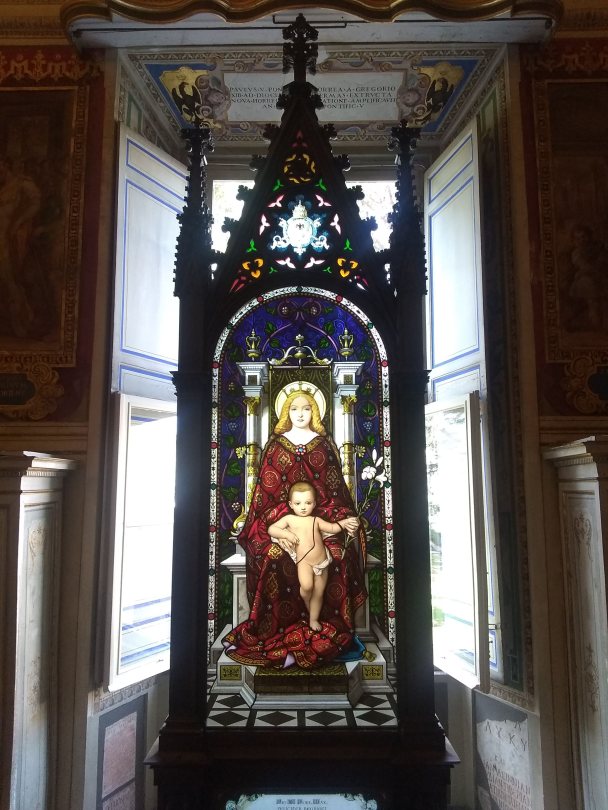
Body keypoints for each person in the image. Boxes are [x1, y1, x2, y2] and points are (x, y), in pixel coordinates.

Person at [223, 390, 367, 670]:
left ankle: (320, 620)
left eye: (307, 408)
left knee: (340, 556)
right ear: (285, 412)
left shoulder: (323, 445)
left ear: (316, 412)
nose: (301, 414)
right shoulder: (276, 446)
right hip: (282, 517)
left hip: (320, 517)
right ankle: (276, 628)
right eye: (294, 409)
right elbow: (265, 497)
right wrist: (283, 529)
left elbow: (334, 493)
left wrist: (343, 520)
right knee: (272, 557)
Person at [268, 481, 359, 632]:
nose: (303, 507)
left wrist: (344, 523)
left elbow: (332, 527)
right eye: (298, 503)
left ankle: (313, 619)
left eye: (308, 503)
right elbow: (272, 529)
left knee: (318, 592)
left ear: (314, 503)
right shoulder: (289, 519)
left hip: (322, 561)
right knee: (306, 586)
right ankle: (307, 602)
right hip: (304, 562)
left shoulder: (316, 520)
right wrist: (286, 534)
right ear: (291, 504)